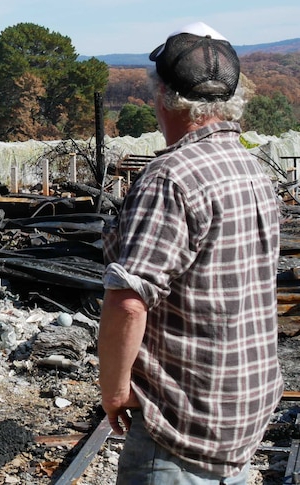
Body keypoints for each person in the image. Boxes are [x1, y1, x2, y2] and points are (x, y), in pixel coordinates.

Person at [98, 21, 284, 484]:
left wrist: (115, 390)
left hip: (182, 422)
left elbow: (128, 300)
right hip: (243, 414)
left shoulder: (169, 177)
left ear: (162, 95)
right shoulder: (252, 168)